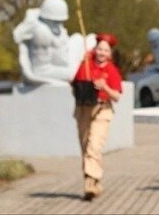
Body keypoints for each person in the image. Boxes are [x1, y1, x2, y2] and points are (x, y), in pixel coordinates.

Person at [71, 32, 122, 201]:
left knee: (94, 146)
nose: (101, 53)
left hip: (102, 110)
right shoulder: (85, 64)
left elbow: (117, 96)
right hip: (84, 109)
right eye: (99, 49)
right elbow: (74, 84)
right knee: (86, 147)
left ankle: (90, 184)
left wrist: (104, 87)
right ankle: (94, 181)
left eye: (105, 50)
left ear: (110, 53)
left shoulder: (111, 70)